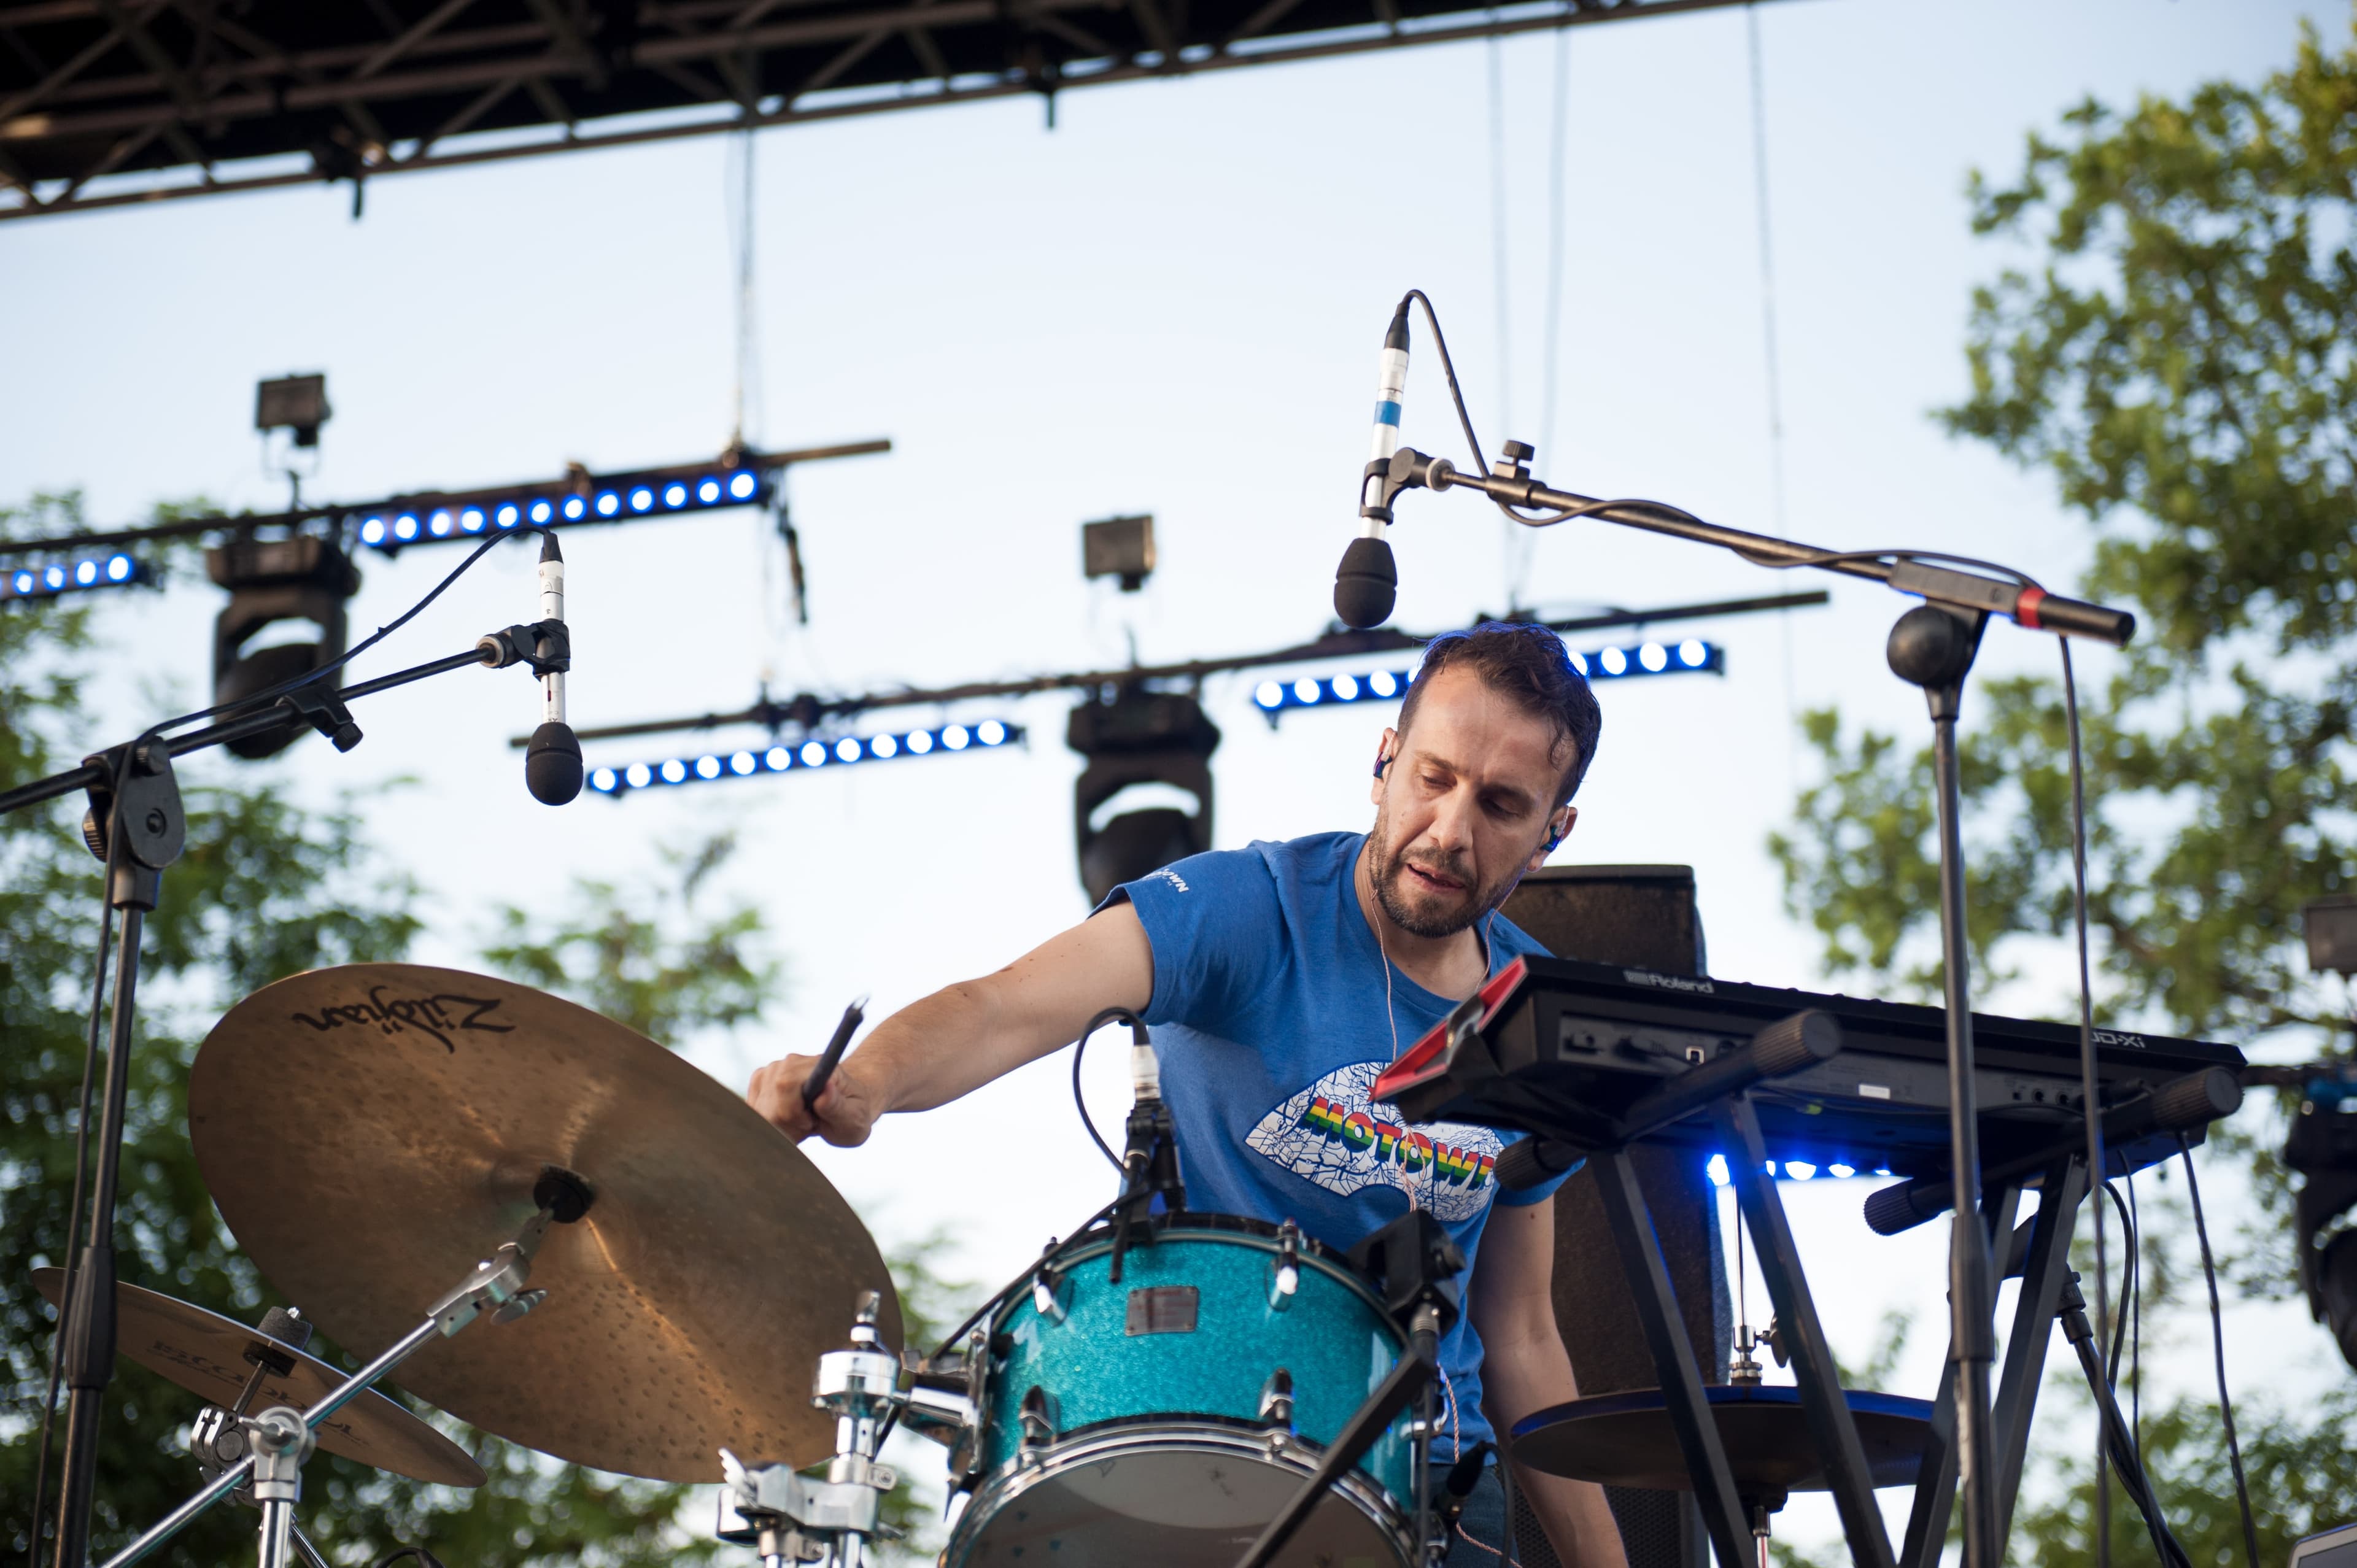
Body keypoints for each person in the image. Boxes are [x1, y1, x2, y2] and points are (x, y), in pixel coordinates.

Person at [749, 620, 1630, 1568]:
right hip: (1202, 1459)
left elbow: (1523, 1331)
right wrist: (867, 1083)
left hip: (1437, 1488)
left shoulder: (1539, 1016)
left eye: (1501, 805)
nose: (1452, 832)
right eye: (1434, 778)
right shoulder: (1250, 909)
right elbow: (1003, 1007)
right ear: (1384, 762)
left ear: (1552, 834)